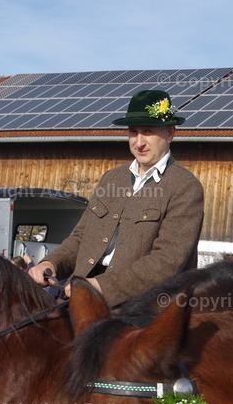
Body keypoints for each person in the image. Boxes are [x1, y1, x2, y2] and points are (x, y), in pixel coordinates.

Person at [28, 89, 204, 307]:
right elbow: (82, 237)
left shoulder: (185, 186)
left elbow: (167, 262)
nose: (139, 142)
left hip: (142, 309)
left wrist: (101, 286)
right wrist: (52, 263)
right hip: (79, 295)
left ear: (170, 133)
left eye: (148, 132)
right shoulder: (112, 178)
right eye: (133, 132)